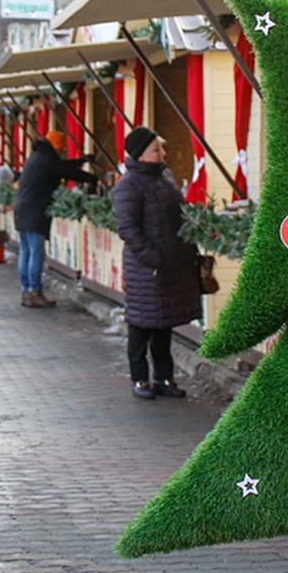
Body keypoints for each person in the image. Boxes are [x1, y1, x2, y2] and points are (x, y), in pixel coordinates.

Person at [112, 127, 202, 400]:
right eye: (156, 150)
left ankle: (164, 377)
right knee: (141, 325)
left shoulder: (164, 177)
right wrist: (154, 258)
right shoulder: (128, 185)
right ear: (140, 154)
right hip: (147, 268)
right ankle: (140, 379)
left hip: (169, 264)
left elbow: (178, 215)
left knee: (164, 322)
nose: (163, 153)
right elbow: (127, 228)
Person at [14, 130, 98, 308]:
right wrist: (92, 178)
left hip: (21, 208)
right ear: (56, 146)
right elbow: (66, 171)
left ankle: (25, 290)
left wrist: (82, 160)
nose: (62, 151)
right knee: (36, 253)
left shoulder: (38, 156)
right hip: (35, 211)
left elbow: (61, 166)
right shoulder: (47, 159)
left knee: (26, 252)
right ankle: (35, 292)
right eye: (61, 148)